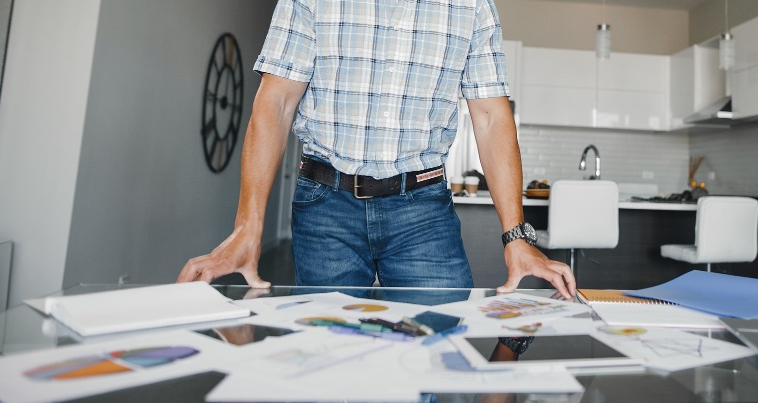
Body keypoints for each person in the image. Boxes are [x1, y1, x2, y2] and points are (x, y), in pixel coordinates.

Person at [177, 0, 576, 299]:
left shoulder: (472, 4)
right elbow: (275, 103)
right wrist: (248, 227)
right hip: (325, 207)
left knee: (439, 358)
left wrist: (517, 237)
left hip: (423, 211)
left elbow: (491, 117)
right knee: (327, 365)